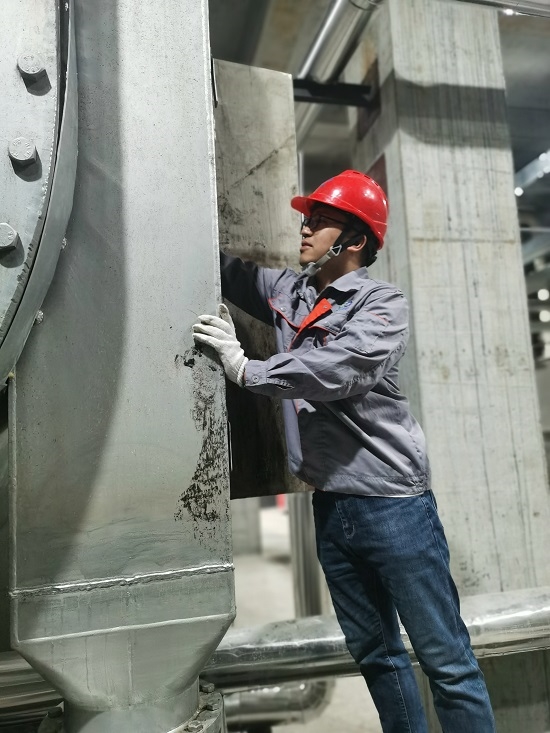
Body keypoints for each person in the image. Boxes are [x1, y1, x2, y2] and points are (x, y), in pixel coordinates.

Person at [192, 170, 496, 733]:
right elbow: (232, 274)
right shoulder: (291, 292)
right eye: (307, 218)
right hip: (331, 505)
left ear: (355, 240)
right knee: (376, 655)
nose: (305, 228)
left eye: (321, 221)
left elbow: (340, 367)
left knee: (447, 661)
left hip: (393, 508)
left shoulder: (382, 304)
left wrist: (247, 369)